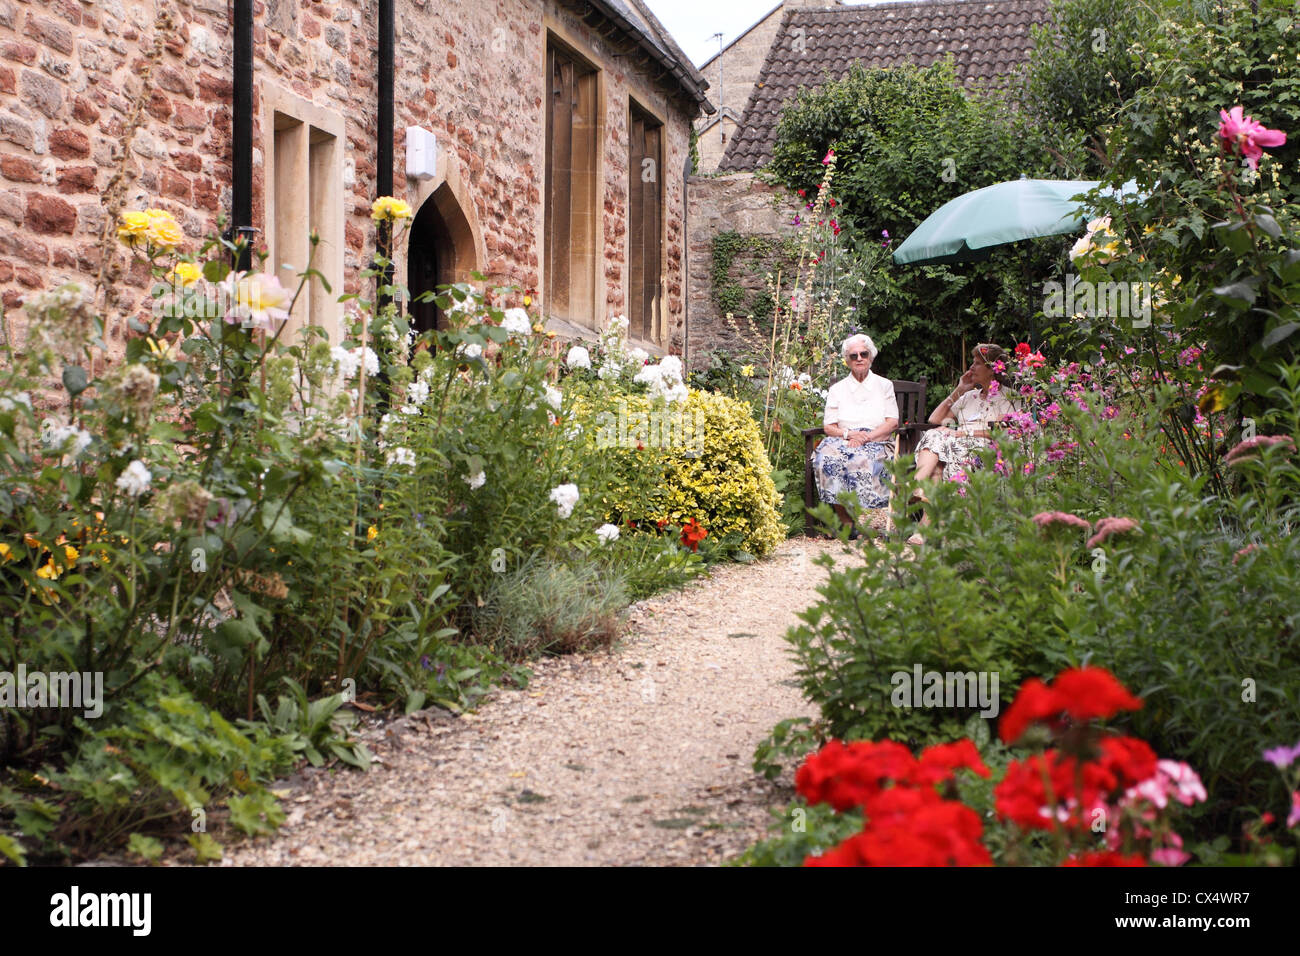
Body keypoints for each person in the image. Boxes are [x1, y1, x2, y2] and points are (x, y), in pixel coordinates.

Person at [812, 333, 899, 536]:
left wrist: (865, 438)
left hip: (877, 440)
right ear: (847, 360)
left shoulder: (884, 385)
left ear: (871, 356)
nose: (859, 358)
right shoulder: (838, 389)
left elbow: (892, 422)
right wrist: (849, 434)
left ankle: (877, 520)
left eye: (863, 354)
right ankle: (847, 522)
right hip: (844, 438)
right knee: (826, 458)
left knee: (863, 459)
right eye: (853, 356)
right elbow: (828, 426)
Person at [913, 343, 1016, 487]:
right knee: (933, 436)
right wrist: (959, 389)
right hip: (958, 443)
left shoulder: (1008, 397)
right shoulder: (969, 396)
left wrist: (961, 433)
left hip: (985, 449)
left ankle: (914, 488)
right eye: (972, 363)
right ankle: (919, 489)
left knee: (939, 461)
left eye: (977, 363)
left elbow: (1000, 433)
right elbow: (935, 419)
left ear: (992, 369)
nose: (971, 368)